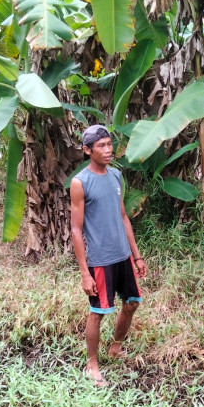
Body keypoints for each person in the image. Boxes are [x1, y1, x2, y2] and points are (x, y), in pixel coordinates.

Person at [70, 124, 147, 386]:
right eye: (100, 146)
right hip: (100, 261)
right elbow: (76, 229)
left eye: (109, 144)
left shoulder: (115, 176)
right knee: (98, 311)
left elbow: (123, 216)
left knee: (133, 302)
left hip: (123, 256)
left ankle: (115, 347)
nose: (108, 149)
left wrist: (136, 256)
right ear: (87, 150)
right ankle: (92, 364)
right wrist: (84, 272)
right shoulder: (80, 182)